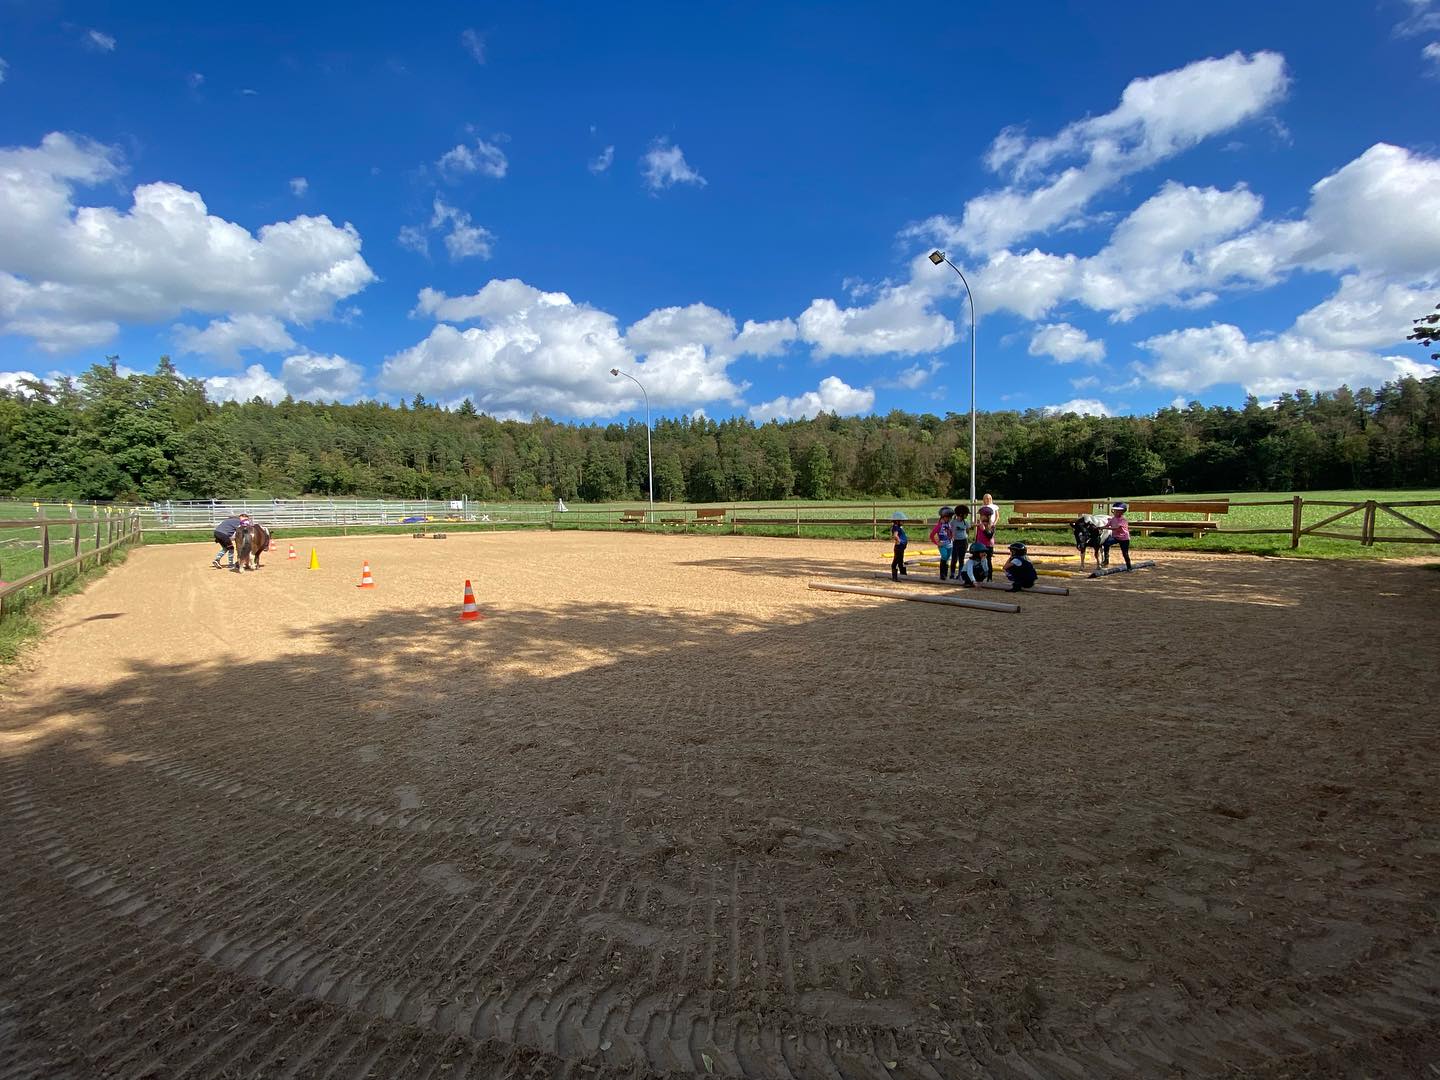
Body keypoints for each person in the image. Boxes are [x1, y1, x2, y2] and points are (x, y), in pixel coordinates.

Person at [928, 506, 955, 580]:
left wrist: (952, 537)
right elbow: (931, 535)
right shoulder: (939, 526)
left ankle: (945, 574)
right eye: (948, 517)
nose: (950, 519)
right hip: (942, 545)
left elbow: (951, 532)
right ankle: (942, 574)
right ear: (943, 517)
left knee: (947, 559)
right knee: (944, 557)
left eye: (950, 517)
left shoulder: (950, 524)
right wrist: (937, 543)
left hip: (950, 544)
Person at [1103, 502, 1133, 569]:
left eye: (1118, 511)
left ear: (1122, 512)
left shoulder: (1123, 520)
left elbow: (1116, 528)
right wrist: (1100, 527)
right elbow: (1107, 525)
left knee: (1125, 553)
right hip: (1116, 537)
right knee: (1106, 544)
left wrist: (1104, 528)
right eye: (1115, 511)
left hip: (1124, 538)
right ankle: (1106, 560)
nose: (1116, 512)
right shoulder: (1113, 519)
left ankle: (1129, 567)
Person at [946, 505, 970, 582]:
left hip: (963, 541)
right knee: (954, 559)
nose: (966, 516)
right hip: (955, 542)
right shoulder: (953, 522)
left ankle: (960, 574)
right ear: (961, 514)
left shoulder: (966, 523)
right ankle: (952, 573)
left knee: (961, 559)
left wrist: (966, 538)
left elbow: (967, 532)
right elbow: (949, 530)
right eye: (966, 514)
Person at [974, 504, 997, 581]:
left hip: (988, 546)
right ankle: (980, 576)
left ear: (987, 516)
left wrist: (984, 529)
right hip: (980, 545)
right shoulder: (980, 524)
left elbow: (989, 536)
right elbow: (978, 535)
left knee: (988, 561)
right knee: (979, 561)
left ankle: (989, 577)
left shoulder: (992, 525)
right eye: (980, 515)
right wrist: (976, 542)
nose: (980, 516)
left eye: (982, 515)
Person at [889, 515, 909, 582]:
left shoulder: (898, 527)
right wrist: (899, 541)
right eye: (902, 521)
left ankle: (903, 574)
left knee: (900, 560)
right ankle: (895, 577)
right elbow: (895, 535)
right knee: (897, 560)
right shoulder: (896, 527)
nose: (903, 522)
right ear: (897, 521)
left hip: (901, 546)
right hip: (899, 546)